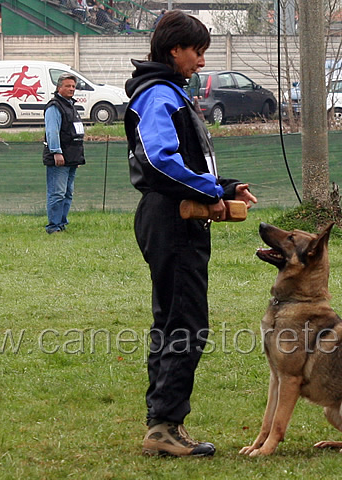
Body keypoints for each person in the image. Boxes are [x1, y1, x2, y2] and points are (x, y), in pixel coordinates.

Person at [124, 10, 257, 458]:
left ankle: (161, 422)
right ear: (173, 49)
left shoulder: (169, 92)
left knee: (171, 320)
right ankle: (164, 427)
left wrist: (224, 186)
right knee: (185, 323)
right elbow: (160, 160)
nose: (201, 61)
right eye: (196, 52)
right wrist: (209, 191)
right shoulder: (158, 93)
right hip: (171, 218)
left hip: (175, 214)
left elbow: (184, 161)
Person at [42, 73, 85, 234]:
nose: (71, 89)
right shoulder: (54, 106)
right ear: (59, 87)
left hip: (72, 157)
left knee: (67, 193)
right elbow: (52, 132)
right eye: (68, 86)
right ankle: (53, 226)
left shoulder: (70, 105)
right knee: (57, 193)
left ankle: (61, 223)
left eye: (73, 86)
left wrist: (77, 157)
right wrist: (56, 152)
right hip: (59, 157)